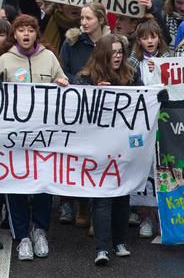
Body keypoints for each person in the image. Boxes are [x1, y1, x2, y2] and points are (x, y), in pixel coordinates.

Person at [0, 15, 68, 261]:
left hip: (44, 138)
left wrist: (62, 82)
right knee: (16, 185)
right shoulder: (4, 60)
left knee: (44, 185)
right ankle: (21, 236)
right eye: (21, 30)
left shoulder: (49, 57)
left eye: (30, 30)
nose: (26, 34)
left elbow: (63, 82)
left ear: (36, 33)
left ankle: (40, 230)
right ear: (15, 34)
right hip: (15, 140)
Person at [69, 34, 138, 265]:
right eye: (113, 52)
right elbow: (74, 99)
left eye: (120, 52)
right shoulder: (87, 78)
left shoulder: (131, 76)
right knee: (101, 199)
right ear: (102, 54)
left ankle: (119, 242)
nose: (117, 56)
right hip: (97, 151)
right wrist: (94, 93)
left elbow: (143, 100)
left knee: (121, 197)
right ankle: (101, 249)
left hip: (122, 150)